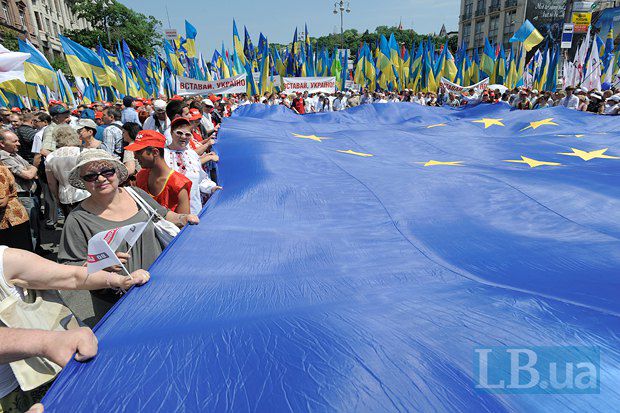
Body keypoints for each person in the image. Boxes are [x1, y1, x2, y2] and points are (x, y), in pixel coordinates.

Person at [0, 246, 150, 410]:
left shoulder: (7, 260)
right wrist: (46, 342)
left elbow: (72, 276)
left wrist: (118, 280)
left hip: (46, 374)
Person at [58, 149, 198, 322]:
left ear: (117, 172)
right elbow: (70, 267)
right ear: (83, 182)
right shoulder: (77, 219)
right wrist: (100, 264)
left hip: (159, 286)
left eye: (106, 171)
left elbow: (162, 213)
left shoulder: (136, 194)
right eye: (91, 176)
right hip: (115, 302)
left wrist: (183, 218)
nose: (101, 179)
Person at [126, 130, 192, 214]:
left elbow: (183, 222)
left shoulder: (179, 184)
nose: (135, 157)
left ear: (155, 152)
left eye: (138, 152)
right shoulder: (141, 176)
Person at [165, 118, 220, 215]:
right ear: (171, 132)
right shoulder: (163, 155)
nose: (183, 137)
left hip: (194, 211)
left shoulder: (192, 155)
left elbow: (201, 179)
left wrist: (212, 188)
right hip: (171, 213)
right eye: (179, 133)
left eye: (187, 134)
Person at [0, 130, 39, 251]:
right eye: (14, 141)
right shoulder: (3, 157)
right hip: (21, 198)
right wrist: (33, 169)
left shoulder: (15, 155)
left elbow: (31, 171)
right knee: (28, 233)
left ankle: (36, 251)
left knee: (34, 228)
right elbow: (28, 174)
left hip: (30, 195)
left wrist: (32, 170)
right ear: (2, 144)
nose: (18, 144)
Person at [44, 125, 90, 217]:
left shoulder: (50, 157)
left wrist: (56, 198)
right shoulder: (83, 152)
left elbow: (51, 183)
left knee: (71, 225)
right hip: (85, 194)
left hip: (64, 196)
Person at [0, 166, 31, 250]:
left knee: (18, 255)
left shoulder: (1, 171)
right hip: (7, 221)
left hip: (11, 219)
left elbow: (2, 201)